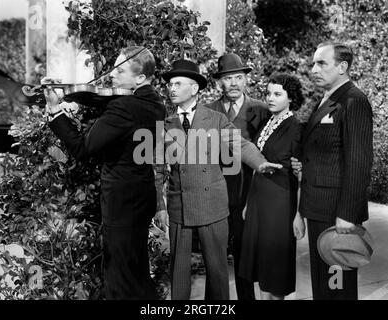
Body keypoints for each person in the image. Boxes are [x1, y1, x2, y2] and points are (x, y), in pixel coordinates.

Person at [43, 46, 166, 300]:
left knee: (119, 278)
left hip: (121, 201)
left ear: (140, 78)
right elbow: (107, 100)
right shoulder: (155, 103)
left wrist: (55, 108)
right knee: (137, 271)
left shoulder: (123, 107)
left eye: (120, 71)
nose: (112, 76)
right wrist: (75, 94)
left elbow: (81, 147)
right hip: (141, 195)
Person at [154, 59, 282, 300]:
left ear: (193, 89)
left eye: (177, 83)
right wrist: (160, 207)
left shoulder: (214, 119)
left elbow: (241, 144)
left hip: (212, 204)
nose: (171, 89)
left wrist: (260, 162)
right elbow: (158, 169)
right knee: (179, 273)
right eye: (170, 84)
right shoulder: (166, 125)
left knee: (217, 272)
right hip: (178, 206)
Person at [291, 42, 373, 300]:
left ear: (342, 66)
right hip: (319, 208)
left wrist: (347, 215)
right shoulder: (326, 99)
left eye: (321, 63)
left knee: (336, 286)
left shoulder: (354, 100)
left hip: (338, 213)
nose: (313, 69)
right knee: (323, 285)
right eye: (313, 62)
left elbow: (359, 161)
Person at [205, 53, 270, 300]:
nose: (233, 83)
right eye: (228, 78)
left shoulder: (261, 111)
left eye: (238, 77)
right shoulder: (207, 112)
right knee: (215, 257)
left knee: (245, 258)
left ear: (246, 80)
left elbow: (268, 152)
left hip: (246, 196)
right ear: (220, 82)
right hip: (215, 194)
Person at [239, 73, 305, 300]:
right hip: (259, 201)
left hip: (280, 203)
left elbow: (301, 175)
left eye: (277, 94)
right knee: (261, 266)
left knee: (276, 270)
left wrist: (299, 214)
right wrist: (249, 202)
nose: (270, 98)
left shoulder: (296, 128)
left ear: (291, 98)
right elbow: (256, 165)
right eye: (268, 93)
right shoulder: (267, 123)